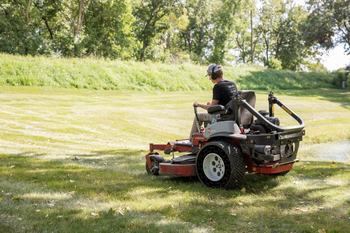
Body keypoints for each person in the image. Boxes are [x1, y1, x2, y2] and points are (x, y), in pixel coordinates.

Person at [189, 64, 238, 142]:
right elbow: (226, 101)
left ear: (214, 76)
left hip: (222, 116)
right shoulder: (232, 84)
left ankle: (192, 142)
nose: (209, 78)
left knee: (198, 116)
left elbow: (212, 109)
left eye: (210, 76)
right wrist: (211, 105)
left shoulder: (217, 87)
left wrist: (198, 105)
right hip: (232, 114)